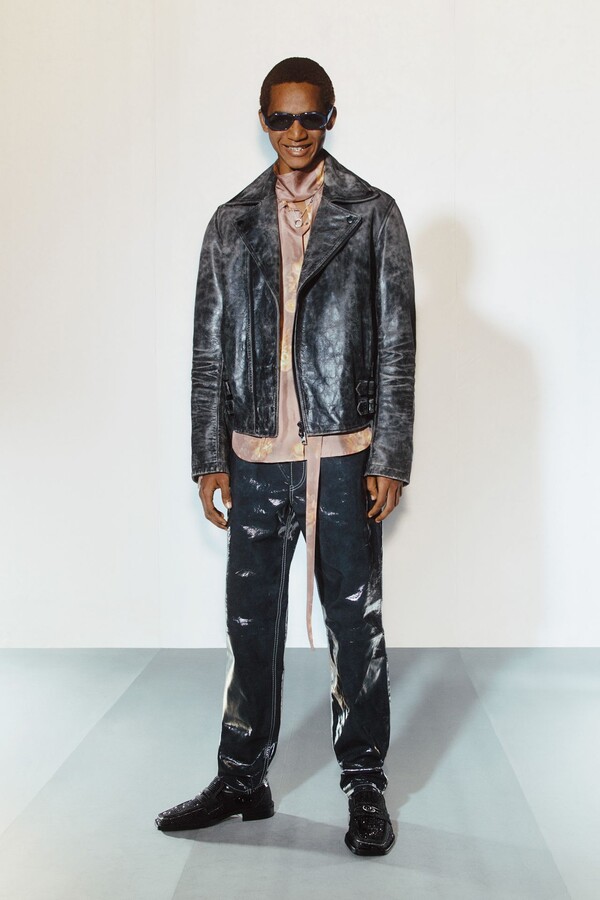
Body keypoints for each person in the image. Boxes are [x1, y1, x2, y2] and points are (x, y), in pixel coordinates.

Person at [155, 57, 416, 857]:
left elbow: (398, 343)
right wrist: (209, 455)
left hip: (345, 451)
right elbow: (208, 349)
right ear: (263, 120)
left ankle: (364, 783)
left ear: (331, 118)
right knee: (250, 621)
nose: (295, 132)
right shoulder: (230, 222)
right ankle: (243, 778)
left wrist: (390, 456)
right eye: (281, 118)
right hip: (256, 454)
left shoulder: (372, 214)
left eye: (309, 117)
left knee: (354, 621)